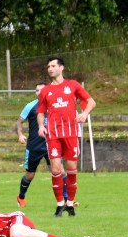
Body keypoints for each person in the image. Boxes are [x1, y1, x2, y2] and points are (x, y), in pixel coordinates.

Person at [37, 56, 96, 217]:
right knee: (56, 169)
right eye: (48, 66)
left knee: (71, 169)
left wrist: (84, 114)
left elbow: (91, 102)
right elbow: (40, 112)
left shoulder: (73, 85)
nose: (50, 69)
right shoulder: (45, 90)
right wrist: (41, 126)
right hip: (53, 134)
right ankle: (59, 204)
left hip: (71, 133)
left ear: (61, 68)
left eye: (53, 66)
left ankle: (70, 203)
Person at [16, 81, 67, 208]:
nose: (39, 92)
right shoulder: (31, 106)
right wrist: (20, 135)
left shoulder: (55, 104)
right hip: (34, 146)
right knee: (30, 175)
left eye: (42, 90)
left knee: (60, 171)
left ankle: (67, 200)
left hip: (51, 144)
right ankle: (21, 196)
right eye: (37, 90)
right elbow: (19, 121)